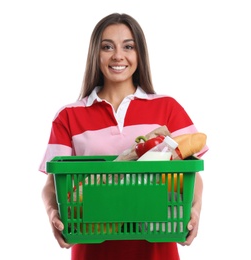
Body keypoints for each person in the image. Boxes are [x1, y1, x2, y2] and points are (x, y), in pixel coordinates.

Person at [39, 12, 208, 260]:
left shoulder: (167, 108)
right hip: (91, 246)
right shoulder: (69, 116)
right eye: (107, 47)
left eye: (128, 46)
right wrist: (52, 212)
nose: (118, 55)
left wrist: (195, 209)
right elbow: (52, 183)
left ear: (139, 54)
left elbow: (191, 173)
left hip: (156, 248)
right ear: (95, 54)